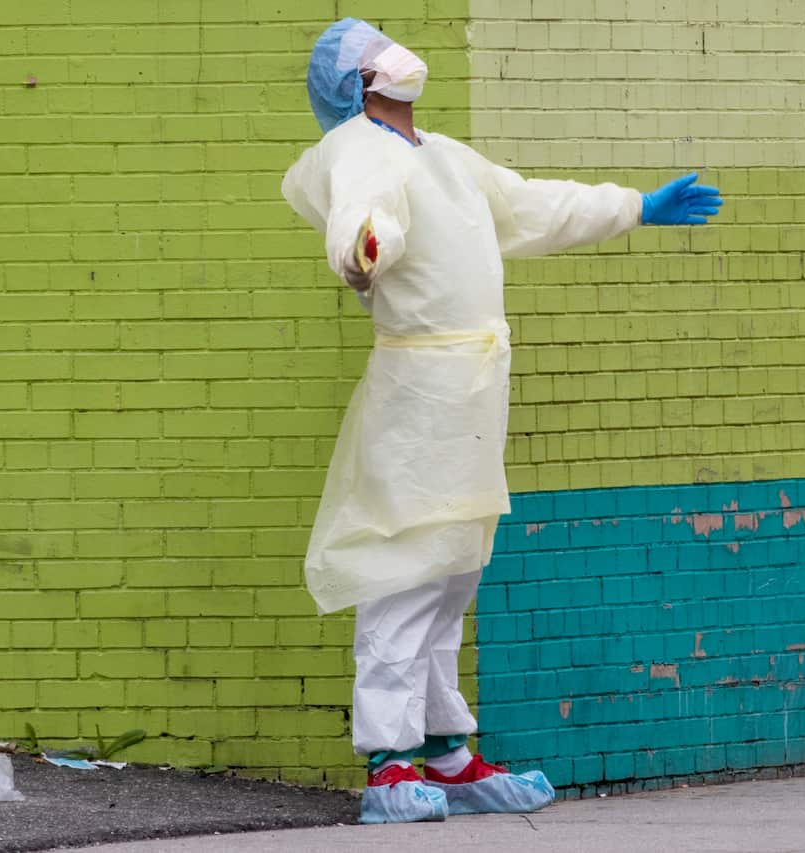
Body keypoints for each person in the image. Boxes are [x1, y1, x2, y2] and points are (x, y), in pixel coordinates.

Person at [281, 18, 723, 825]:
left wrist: (632, 207)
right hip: (419, 392)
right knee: (404, 570)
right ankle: (387, 761)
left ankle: (446, 750)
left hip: (471, 390)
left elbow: (529, 206)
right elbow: (362, 218)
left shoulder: (443, 156)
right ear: (357, 84)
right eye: (369, 50)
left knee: (452, 573)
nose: (391, 50)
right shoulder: (359, 148)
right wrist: (362, 249)